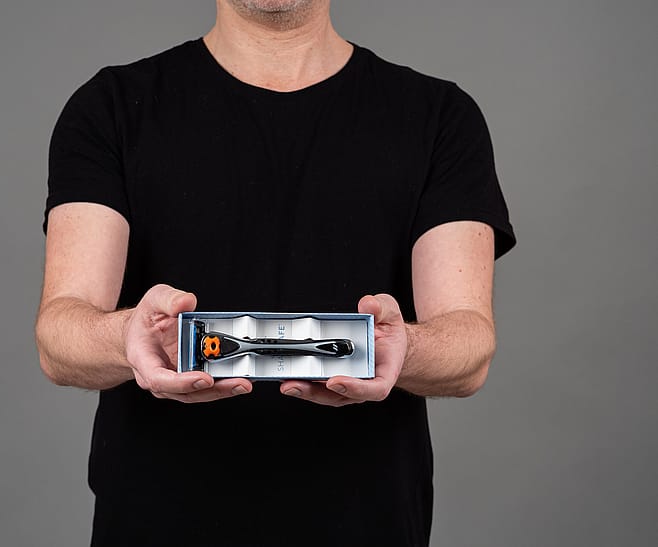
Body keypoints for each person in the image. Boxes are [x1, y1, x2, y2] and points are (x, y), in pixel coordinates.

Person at [36, 1, 515, 545]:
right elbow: (59, 337)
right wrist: (127, 336)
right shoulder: (111, 106)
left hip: (368, 527)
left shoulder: (440, 115)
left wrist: (406, 348)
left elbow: (469, 347)